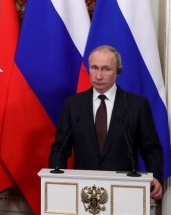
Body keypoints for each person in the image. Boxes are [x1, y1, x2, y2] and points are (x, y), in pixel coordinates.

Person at [49, 45, 164, 200]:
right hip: (83, 191)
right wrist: (56, 177)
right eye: (94, 68)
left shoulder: (136, 105)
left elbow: (151, 149)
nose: (98, 76)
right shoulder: (73, 104)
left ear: (118, 71)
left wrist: (155, 176)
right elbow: (60, 148)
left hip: (125, 191)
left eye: (106, 69)